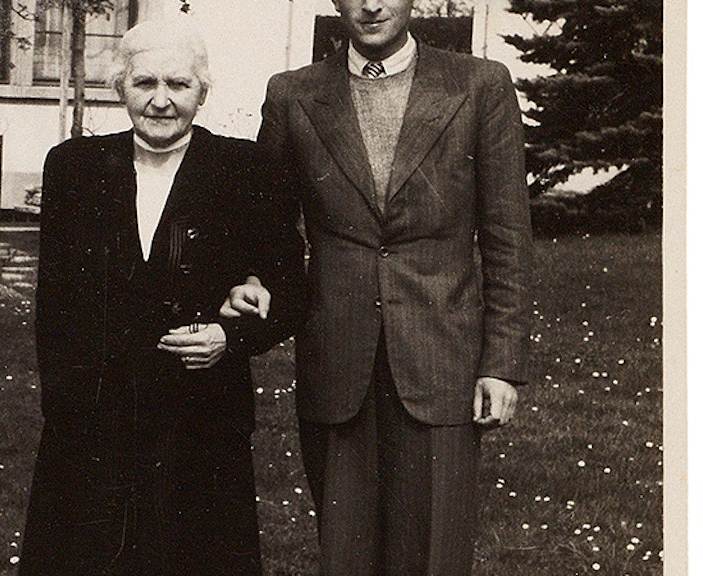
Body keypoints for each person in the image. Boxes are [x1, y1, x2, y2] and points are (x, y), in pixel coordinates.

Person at [224, 1, 533, 574]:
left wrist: (502, 363)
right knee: (346, 553)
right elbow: (267, 226)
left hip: (443, 359)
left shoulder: (479, 85)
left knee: (435, 554)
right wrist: (253, 278)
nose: (371, 5)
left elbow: (507, 235)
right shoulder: (293, 94)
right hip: (337, 360)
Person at [18, 19, 305, 576]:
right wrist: (67, 409)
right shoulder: (75, 167)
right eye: (144, 82)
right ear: (119, 88)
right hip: (96, 420)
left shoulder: (245, 169)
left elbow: (291, 288)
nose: (161, 101)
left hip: (201, 420)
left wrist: (231, 335)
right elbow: (55, 302)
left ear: (203, 92)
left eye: (178, 84)